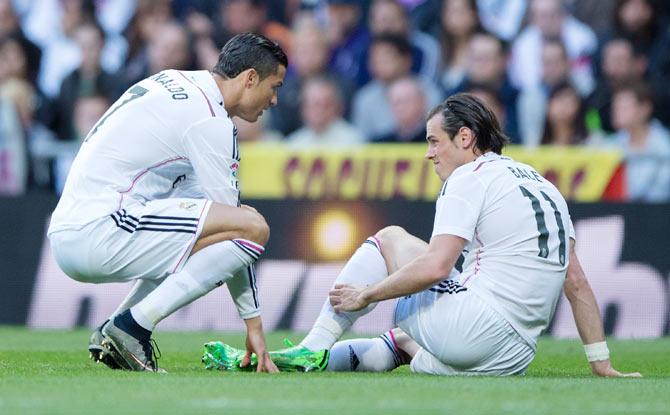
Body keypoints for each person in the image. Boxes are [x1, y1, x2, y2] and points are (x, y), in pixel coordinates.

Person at [209, 93, 640, 378]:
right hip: (513, 358)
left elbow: (434, 267)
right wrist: (600, 363)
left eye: (435, 141)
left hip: (475, 331)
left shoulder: (470, 177)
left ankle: (312, 345)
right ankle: (302, 364)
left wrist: (369, 295)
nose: (429, 153)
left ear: (466, 137)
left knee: (391, 238)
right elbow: (577, 283)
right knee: (403, 342)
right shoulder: (543, 185)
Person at [47, 33, 288, 373]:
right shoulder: (210, 120)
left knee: (211, 234)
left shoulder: (175, 81)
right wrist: (254, 322)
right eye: (274, 86)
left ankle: (115, 327)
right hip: (103, 226)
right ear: (250, 78)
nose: (275, 100)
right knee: (252, 225)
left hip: (71, 228)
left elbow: (216, 229)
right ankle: (131, 327)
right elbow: (242, 232)